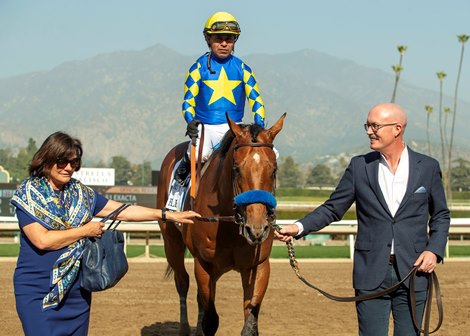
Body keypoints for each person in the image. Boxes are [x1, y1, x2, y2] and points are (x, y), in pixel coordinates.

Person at [275, 103, 450, 336]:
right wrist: (298, 227)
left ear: (397, 129)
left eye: (375, 125)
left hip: (415, 272)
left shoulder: (427, 167)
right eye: (367, 125)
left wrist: (434, 251)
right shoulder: (359, 166)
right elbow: (333, 208)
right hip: (370, 273)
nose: (369, 131)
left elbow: (440, 215)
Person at [10, 131, 200, 336]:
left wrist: (166, 214)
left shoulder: (80, 193)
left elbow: (123, 211)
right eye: (62, 161)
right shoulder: (28, 193)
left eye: (74, 163)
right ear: (47, 158)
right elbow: (42, 241)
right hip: (37, 291)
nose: (68, 168)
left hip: (77, 293)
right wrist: (85, 231)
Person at [175, 11, 266, 184]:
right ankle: (179, 185)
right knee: (197, 155)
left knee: (267, 156)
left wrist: (259, 127)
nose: (224, 44)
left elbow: (256, 100)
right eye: (218, 39)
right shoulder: (197, 68)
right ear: (208, 40)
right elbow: (188, 101)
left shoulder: (243, 68)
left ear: (234, 42)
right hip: (206, 128)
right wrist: (190, 120)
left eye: (229, 39)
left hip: (235, 128)